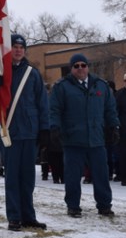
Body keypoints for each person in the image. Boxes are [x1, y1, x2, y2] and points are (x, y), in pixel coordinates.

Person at [0, 34, 49, 232]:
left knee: (28, 177)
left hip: (29, 131)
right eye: (15, 46)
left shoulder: (33, 73)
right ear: (8, 50)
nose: (19, 50)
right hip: (8, 130)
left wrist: (45, 128)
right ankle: (14, 217)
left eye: (22, 46)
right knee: (12, 177)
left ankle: (29, 216)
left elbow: (42, 103)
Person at [49, 53, 118, 220]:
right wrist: (54, 127)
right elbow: (55, 110)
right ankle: (73, 206)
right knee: (73, 175)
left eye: (83, 65)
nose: (80, 68)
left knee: (101, 174)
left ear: (88, 67)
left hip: (96, 138)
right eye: (76, 66)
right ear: (71, 68)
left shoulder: (101, 86)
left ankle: (104, 206)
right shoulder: (62, 87)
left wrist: (114, 126)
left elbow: (110, 109)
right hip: (73, 139)